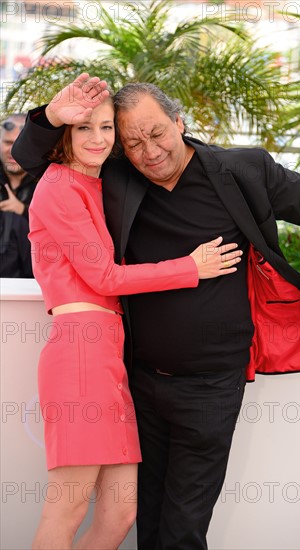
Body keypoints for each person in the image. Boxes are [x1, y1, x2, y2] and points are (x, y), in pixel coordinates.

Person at [12, 74, 300, 550]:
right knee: (137, 519)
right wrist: (50, 116)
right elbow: (34, 160)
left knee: (182, 527)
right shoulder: (118, 178)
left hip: (211, 384)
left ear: (179, 122)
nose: (149, 151)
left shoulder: (239, 170)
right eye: (132, 142)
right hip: (136, 378)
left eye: (157, 134)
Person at [22, 92, 242, 550]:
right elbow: (103, 275)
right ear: (64, 132)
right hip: (80, 356)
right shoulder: (57, 185)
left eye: (107, 128)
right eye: (84, 127)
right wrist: (190, 268)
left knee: (121, 513)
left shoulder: (101, 186)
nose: (98, 138)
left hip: (113, 360)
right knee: (68, 506)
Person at [0, 114, 37, 277]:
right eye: (8, 143)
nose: (13, 150)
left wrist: (23, 210)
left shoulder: (47, 179)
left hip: (33, 288)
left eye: (20, 144)